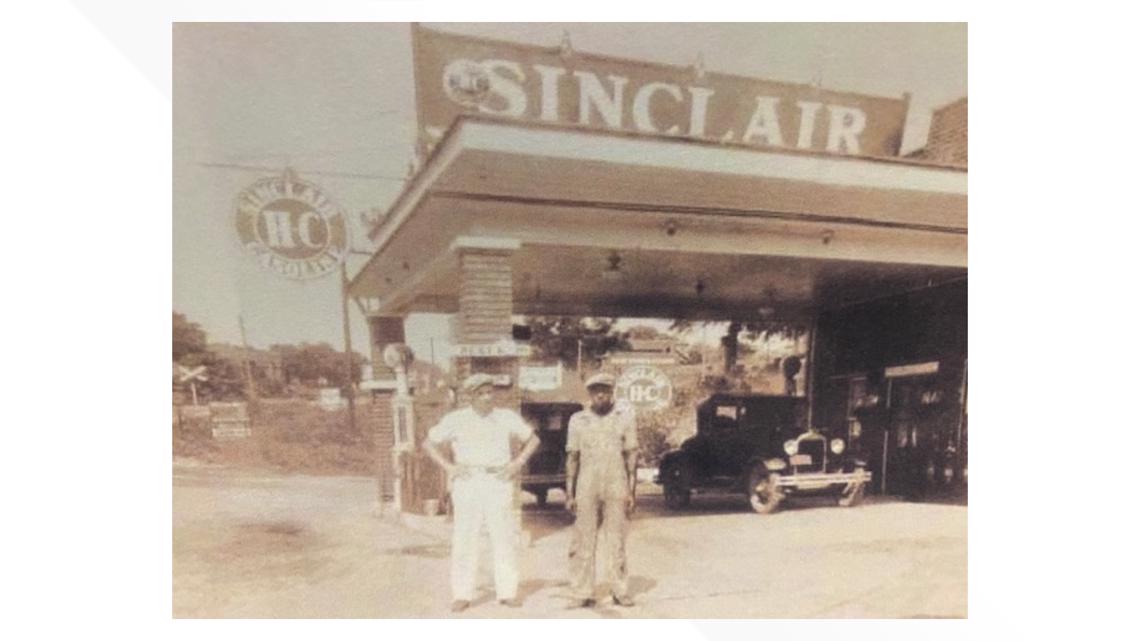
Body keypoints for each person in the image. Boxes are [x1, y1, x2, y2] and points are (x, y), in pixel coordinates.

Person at [423, 373, 541, 613]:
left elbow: (533, 440)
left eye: (490, 392)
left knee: (504, 537)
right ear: (471, 396)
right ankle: (462, 593)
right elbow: (428, 443)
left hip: (498, 481)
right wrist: (450, 467)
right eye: (482, 393)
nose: (488, 397)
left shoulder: (506, 417)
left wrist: (516, 464)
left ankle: (507, 592)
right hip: (469, 482)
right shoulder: (456, 419)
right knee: (465, 538)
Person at [565, 373, 639, 608]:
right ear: (590, 394)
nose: (600, 394)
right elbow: (572, 457)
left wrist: (632, 492)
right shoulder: (578, 419)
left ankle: (619, 590)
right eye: (596, 390)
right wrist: (569, 492)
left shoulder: (624, 417)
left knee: (616, 540)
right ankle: (581, 591)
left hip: (616, 483)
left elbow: (632, 456)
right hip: (586, 484)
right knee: (583, 540)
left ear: (612, 392)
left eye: (605, 390)